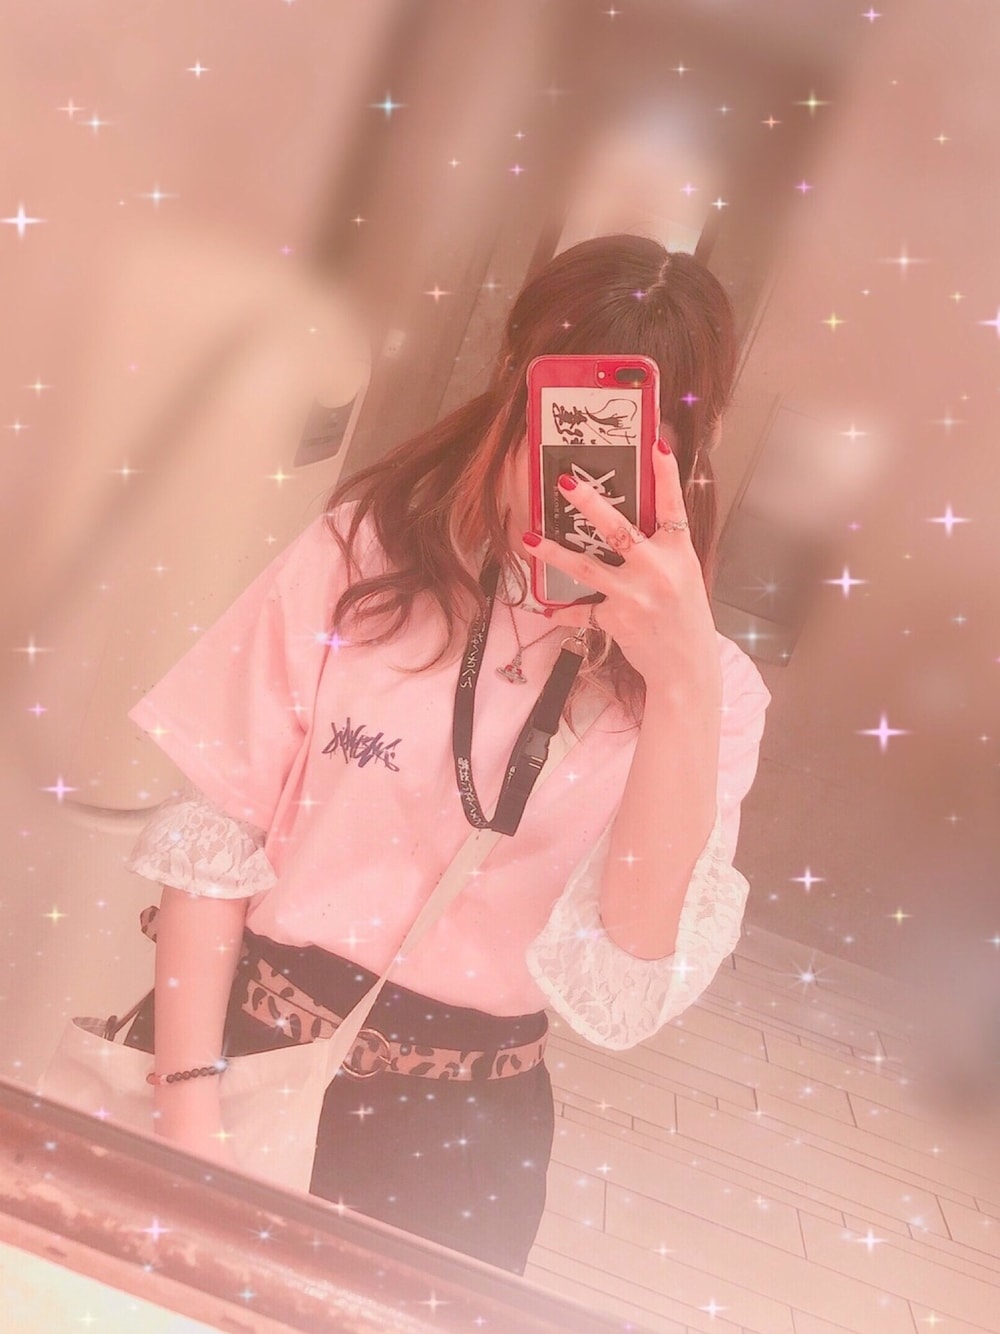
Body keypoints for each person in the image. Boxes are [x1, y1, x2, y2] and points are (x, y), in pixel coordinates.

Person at [121, 233, 771, 1275]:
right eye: (564, 421)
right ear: (514, 383)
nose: (582, 478)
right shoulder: (364, 559)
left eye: (628, 439)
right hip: (228, 1047)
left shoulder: (714, 694)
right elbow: (218, 828)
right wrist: (190, 1121)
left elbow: (629, 963)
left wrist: (680, 678)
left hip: (455, 1144)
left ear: (698, 440)